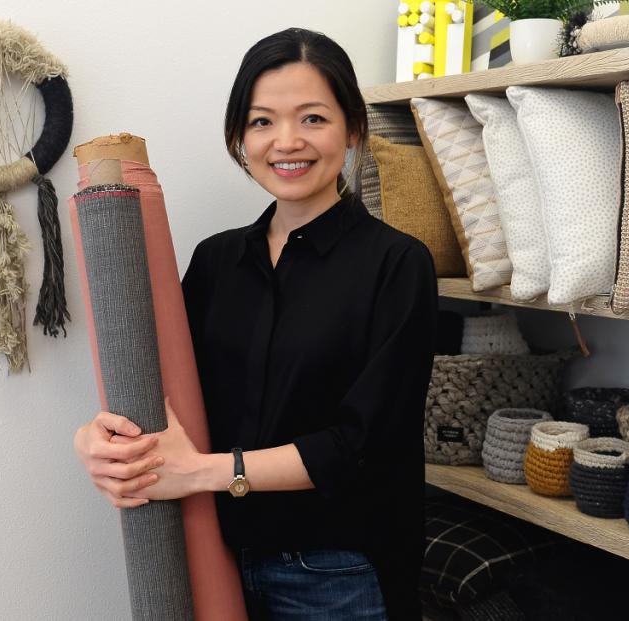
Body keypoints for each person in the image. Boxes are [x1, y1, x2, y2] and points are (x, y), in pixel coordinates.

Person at [72, 28, 437, 620]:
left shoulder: (397, 264)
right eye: (262, 121)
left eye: (313, 118)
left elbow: (362, 446)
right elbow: (166, 391)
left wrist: (201, 473)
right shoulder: (217, 261)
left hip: (337, 574)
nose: (286, 141)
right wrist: (97, 443)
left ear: (354, 130)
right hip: (214, 556)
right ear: (240, 137)